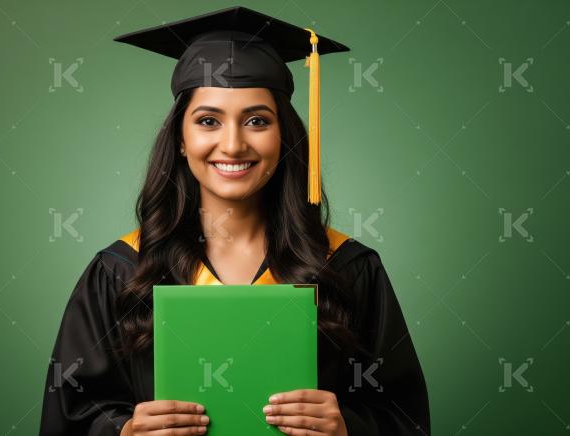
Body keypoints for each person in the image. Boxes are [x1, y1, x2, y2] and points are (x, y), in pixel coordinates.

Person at [39, 6, 429, 436]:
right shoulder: (121, 272)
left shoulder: (348, 269)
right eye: (208, 120)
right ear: (182, 141)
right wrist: (122, 431)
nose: (233, 143)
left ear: (284, 136)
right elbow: (67, 417)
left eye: (257, 120)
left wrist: (349, 428)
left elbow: (406, 418)